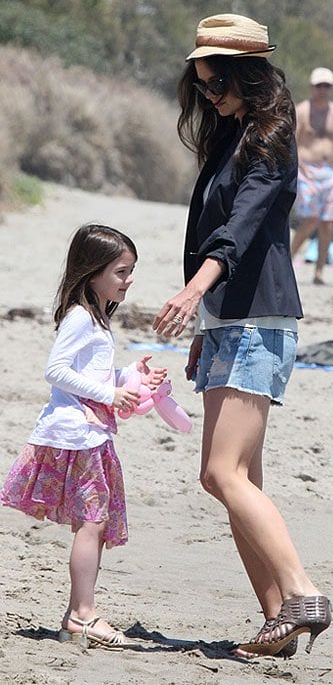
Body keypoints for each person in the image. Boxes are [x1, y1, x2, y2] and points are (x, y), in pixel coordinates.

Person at [152, 13, 331, 658]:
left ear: (251, 75)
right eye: (201, 83)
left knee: (220, 472)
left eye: (219, 80)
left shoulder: (270, 143)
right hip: (231, 321)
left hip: (257, 318)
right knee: (242, 478)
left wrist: (195, 291)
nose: (210, 93)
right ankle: (279, 618)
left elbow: (242, 231)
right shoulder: (229, 137)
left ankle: (303, 590)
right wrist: (205, 321)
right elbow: (208, 229)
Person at [0, 224, 167, 649]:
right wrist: (111, 392)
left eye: (131, 271)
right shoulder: (79, 317)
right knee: (92, 523)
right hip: (75, 434)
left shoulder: (96, 318)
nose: (129, 280)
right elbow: (55, 371)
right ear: (93, 273)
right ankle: (83, 614)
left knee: (94, 522)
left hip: (89, 432)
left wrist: (131, 376)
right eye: (122, 272)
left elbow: (87, 374)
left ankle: (78, 613)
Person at [290, 66, 333, 285]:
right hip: (307, 171)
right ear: (312, 87)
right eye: (319, 86)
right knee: (310, 220)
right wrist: (300, 166)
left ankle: (319, 271)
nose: (323, 90)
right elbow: (292, 141)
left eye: (327, 86)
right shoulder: (301, 111)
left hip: (330, 174)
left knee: (327, 223)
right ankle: (288, 261)